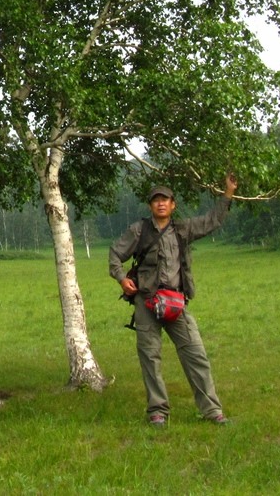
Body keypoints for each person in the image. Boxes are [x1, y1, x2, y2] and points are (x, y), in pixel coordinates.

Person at [108, 175, 236, 427]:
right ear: (150, 206)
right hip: (146, 302)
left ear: (173, 205)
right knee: (150, 357)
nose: (160, 204)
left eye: (165, 200)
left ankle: (212, 410)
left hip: (176, 303)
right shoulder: (138, 230)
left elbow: (212, 221)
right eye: (156, 200)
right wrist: (122, 279)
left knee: (195, 354)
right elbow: (115, 254)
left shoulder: (183, 229)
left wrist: (228, 194)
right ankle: (157, 411)